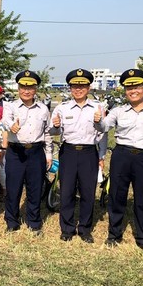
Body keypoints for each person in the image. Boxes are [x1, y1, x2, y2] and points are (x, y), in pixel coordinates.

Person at [94, 68, 143, 255]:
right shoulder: (118, 111)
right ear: (125, 91)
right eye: (129, 88)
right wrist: (98, 120)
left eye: (137, 87)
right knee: (116, 196)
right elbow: (104, 127)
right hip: (122, 155)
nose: (133, 90)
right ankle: (114, 234)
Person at [49, 69, 107, 243]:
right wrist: (56, 126)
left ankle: (84, 229)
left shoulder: (98, 107)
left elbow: (103, 133)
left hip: (89, 152)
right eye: (75, 86)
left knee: (88, 192)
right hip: (69, 152)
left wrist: (102, 156)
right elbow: (53, 131)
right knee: (66, 191)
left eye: (82, 85)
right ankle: (67, 229)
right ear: (70, 88)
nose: (78, 89)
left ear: (88, 87)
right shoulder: (62, 107)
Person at [2, 70, 52, 235]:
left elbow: (47, 133)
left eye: (30, 87)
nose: (26, 90)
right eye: (23, 87)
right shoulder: (11, 106)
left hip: (36, 152)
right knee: (13, 188)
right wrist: (12, 126)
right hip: (16, 152)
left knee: (35, 188)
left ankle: (34, 222)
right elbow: (5, 120)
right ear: (18, 88)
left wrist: (49, 154)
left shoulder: (43, 109)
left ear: (35, 89)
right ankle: (12, 221)